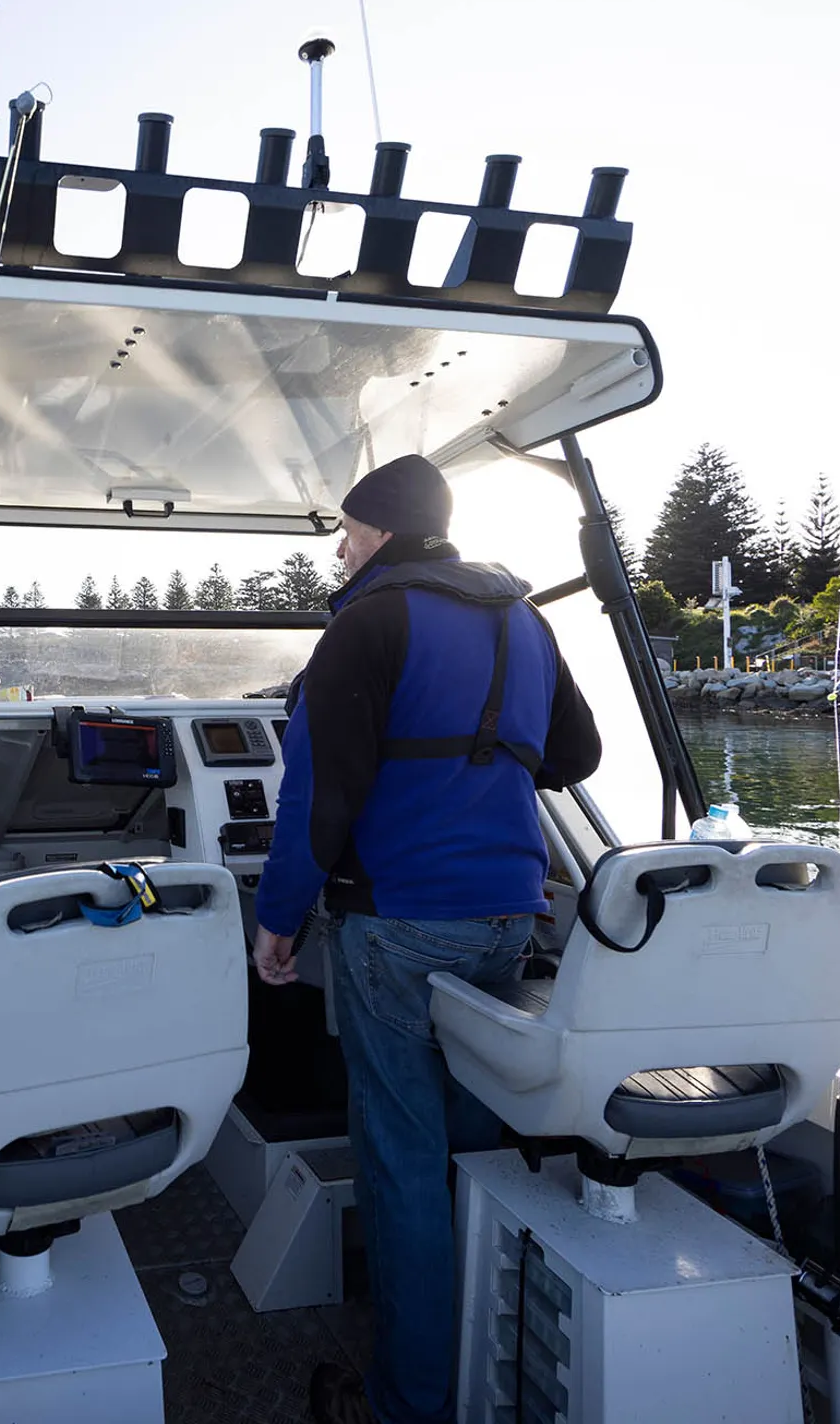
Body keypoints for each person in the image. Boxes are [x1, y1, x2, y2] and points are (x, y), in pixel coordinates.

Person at [250, 454, 601, 1424]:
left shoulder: (364, 624)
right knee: (470, 1151)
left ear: (388, 532)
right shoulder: (524, 619)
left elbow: (317, 804)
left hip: (397, 925)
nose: (340, 545)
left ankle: (410, 1400)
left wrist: (277, 923)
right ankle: (483, 1371)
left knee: (402, 1161)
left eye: (350, 529)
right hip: (507, 921)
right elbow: (578, 754)